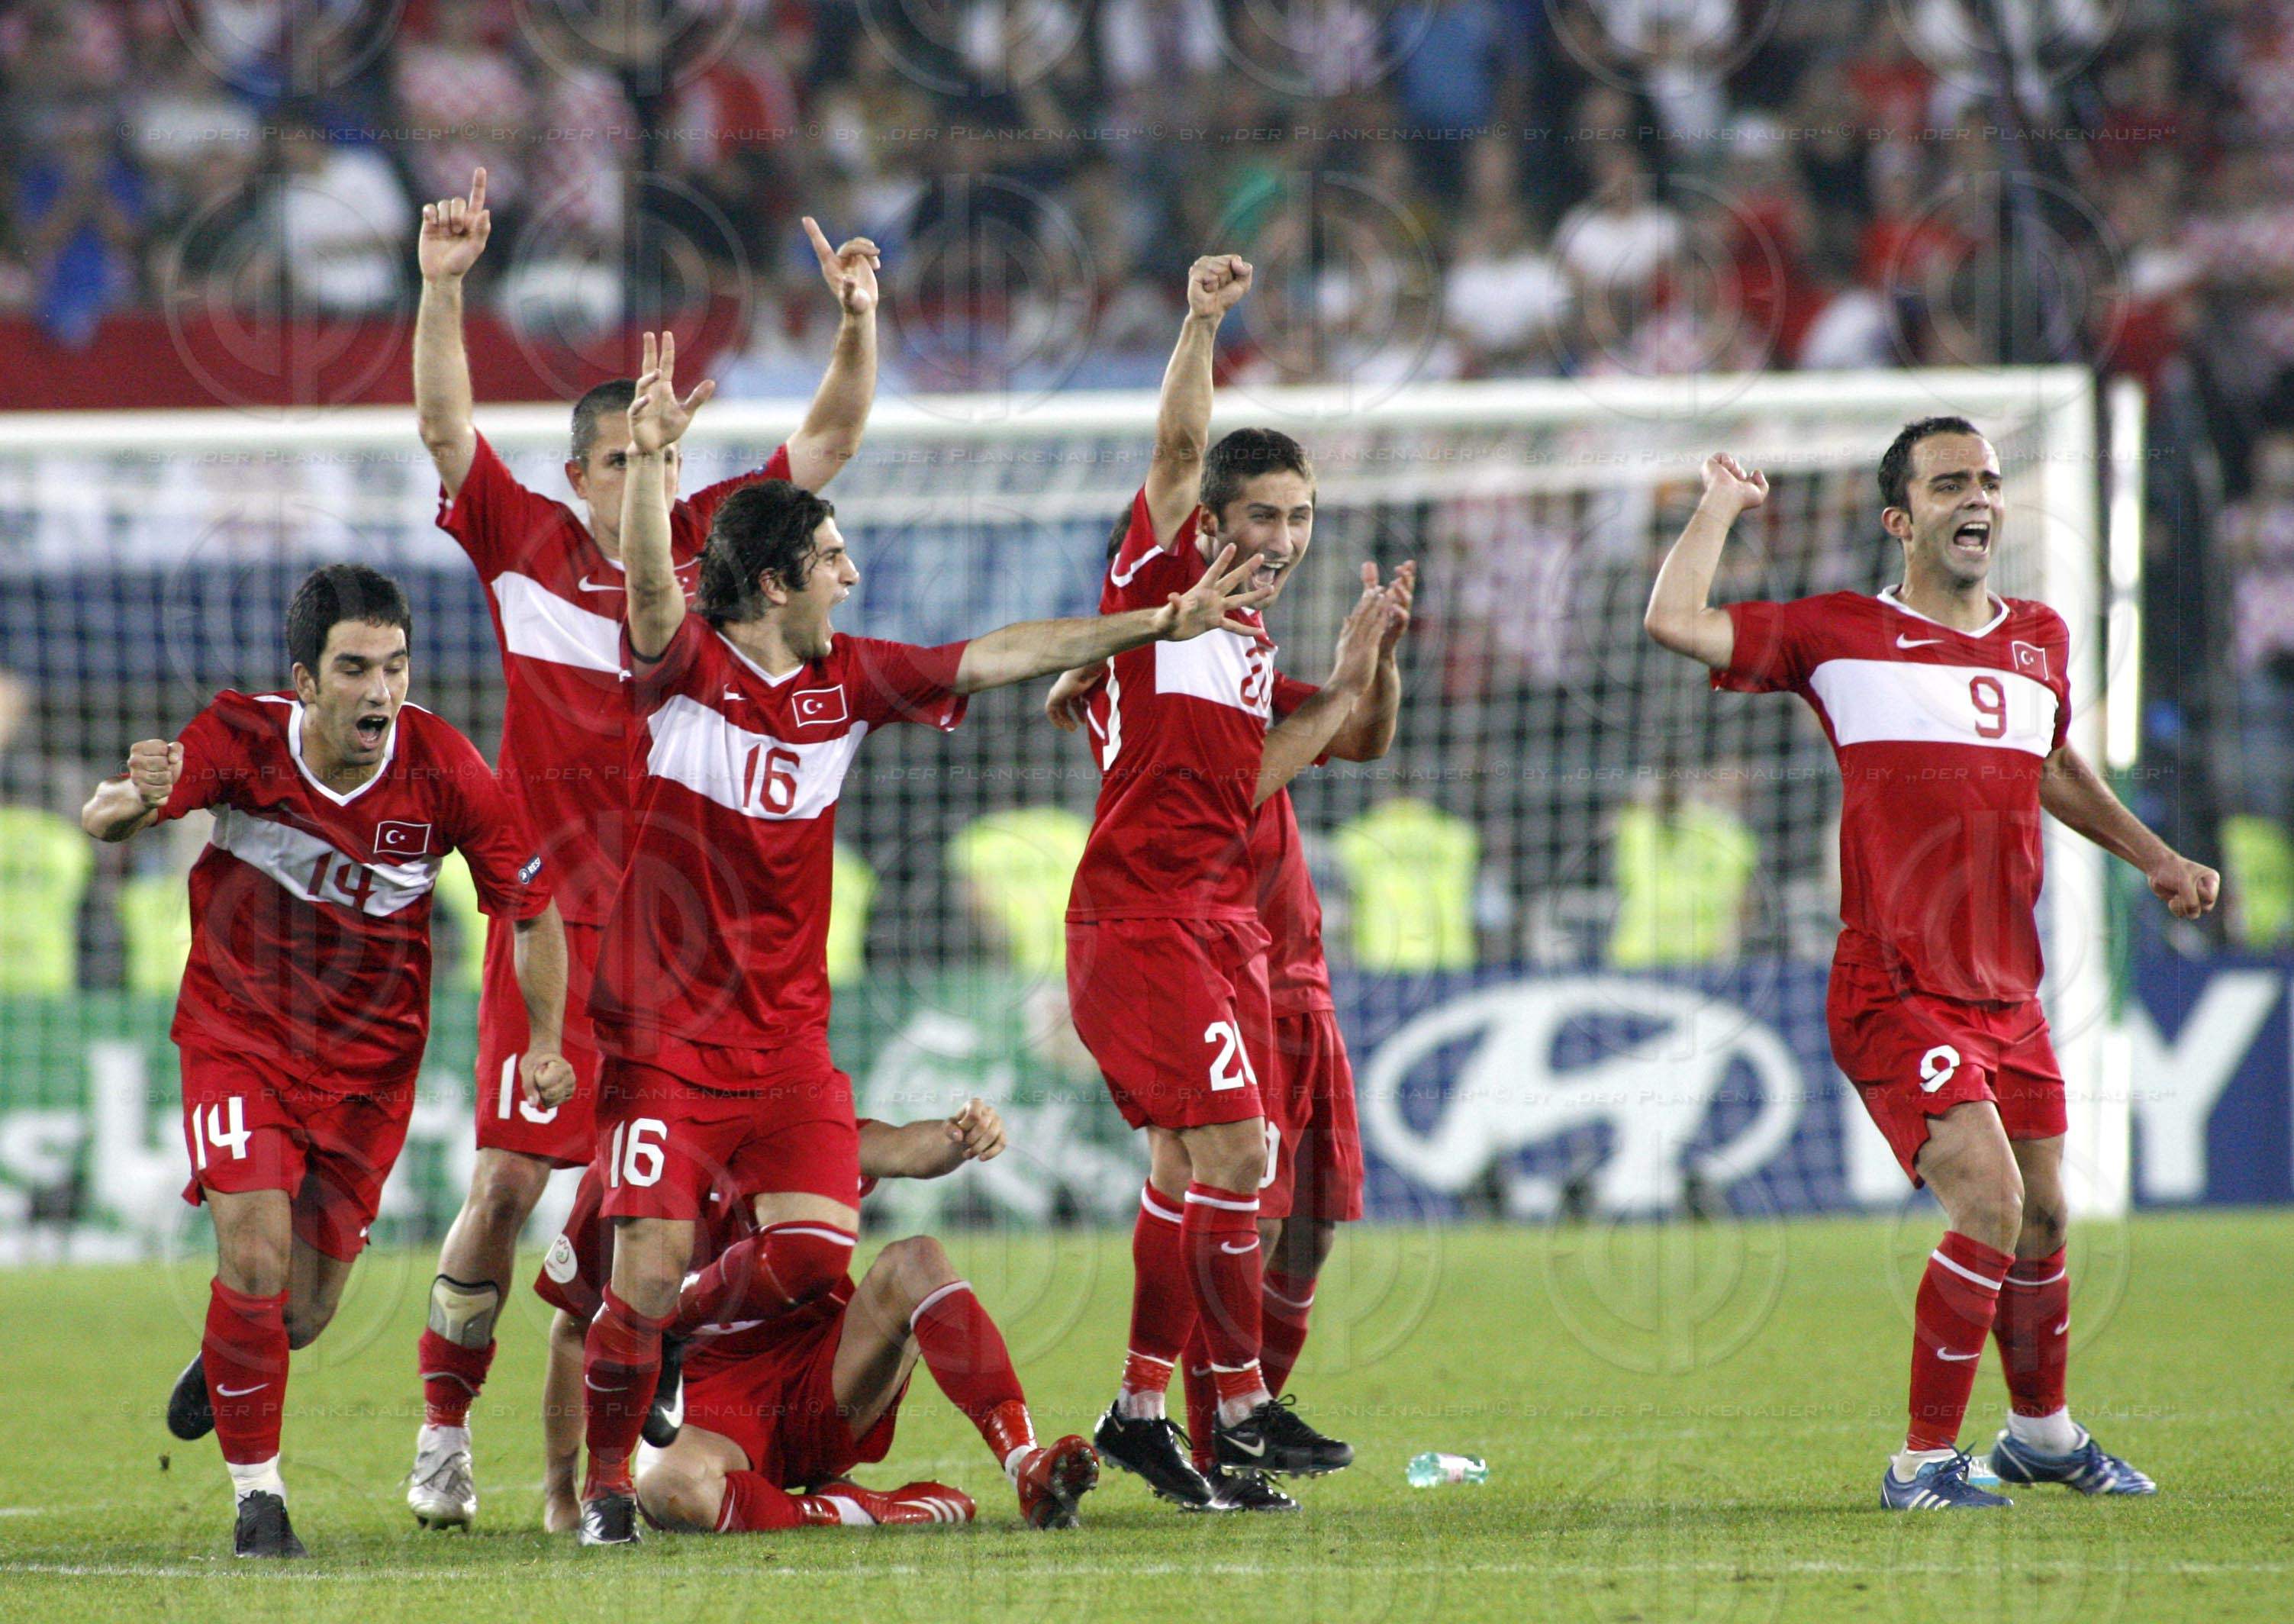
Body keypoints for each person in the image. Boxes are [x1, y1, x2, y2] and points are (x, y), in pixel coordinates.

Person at [574, 327, 1278, 1545]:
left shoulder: (846, 684)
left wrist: (1151, 624)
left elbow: (1000, 655)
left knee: (815, 1257)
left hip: (786, 1048)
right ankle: (599, 1492)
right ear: (777, 584)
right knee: (637, 1275)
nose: (851, 576)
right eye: (832, 559)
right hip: (664, 1045)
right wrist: (646, 469)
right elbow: (647, 590)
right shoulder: (683, 671)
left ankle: (729, 1379)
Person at [404, 166, 883, 1529]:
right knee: (510, 1180)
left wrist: (856, 319)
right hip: (552, 932)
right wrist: (441, 288)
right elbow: (443, 425)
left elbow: (832, 437)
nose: (637, 476)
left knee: (635, 1230)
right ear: (576, 477)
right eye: (616, 459)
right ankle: (444, 1426)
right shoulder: (521, 544)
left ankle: (589, 1481)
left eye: (652, 456)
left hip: (688, 964)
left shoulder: (715, 553)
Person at [1644, 418, 2219, 1510]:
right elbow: (1673, 620)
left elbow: (2048, 760)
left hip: (2008, 986)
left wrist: (2154, 857)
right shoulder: (1839, 632)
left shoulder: (2038, 636)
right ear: (1899, 520)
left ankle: (2041, 1436)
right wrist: (1719, 505)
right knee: (1989, 1203)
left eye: (1988, 481)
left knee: (2044, 1217)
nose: (1978, 498)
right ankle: (1919, 1463)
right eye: (1949, 483)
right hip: (1894, 984)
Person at [79, 565, 573, 1558]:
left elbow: (531, 906)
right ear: (304, 680)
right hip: (240, 1038)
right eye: (354, 669)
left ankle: (232, 1355)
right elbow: (104, 814)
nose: (380, 691)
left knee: (298, 1315)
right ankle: (258, 1504)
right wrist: (139, 798)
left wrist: (549, 1040)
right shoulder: (240, 739)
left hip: (369, 1073)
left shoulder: (443, 768)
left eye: (395, 666)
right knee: (255, 1256)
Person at [1059, 254, 1406, 1509]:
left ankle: (1140, 1411)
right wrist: (1202, 320)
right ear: (1208, 523)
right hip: (1143, 917)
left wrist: (1363, 666)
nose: (1282, 540)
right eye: (1261, 516)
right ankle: (1244, 1409)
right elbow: (1175, 446)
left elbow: (1322, 747)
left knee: (1184, 1170)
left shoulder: (1248, 649)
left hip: (1216, 927)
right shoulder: (1161, 586)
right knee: (1242, 1154)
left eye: (1300, 519)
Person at [536, 1101, 1098, 1532]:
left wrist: (962, 1135)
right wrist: (561, 1493)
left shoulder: (797, 1130)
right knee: (668, 1492)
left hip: (826, 1377)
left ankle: (1025, 1462)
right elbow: (574, 1328)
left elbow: (902, 1148)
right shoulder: (627, 1169)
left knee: (917, 1260)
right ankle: (853, 1509)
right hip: (709, 1410)